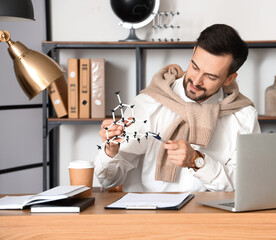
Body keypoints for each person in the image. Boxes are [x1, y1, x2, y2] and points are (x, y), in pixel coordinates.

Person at [95, 24, 261, 192]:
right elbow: (109, 181)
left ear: (229, 78)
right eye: (195, 67)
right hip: (150, 214)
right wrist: (110, 151)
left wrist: (197, 161)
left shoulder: (243, 116)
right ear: (193, 52)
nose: (196, 81)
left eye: (210, 76)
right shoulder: (148, 104)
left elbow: (246, 183)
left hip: (212, 216)